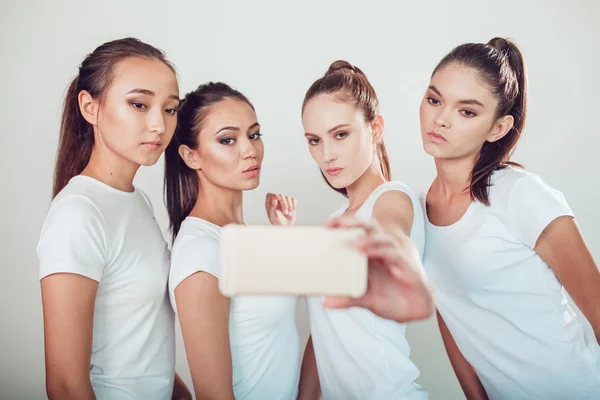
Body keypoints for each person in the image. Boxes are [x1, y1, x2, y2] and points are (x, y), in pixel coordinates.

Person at [421, 37, 600, 399]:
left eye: (466, 111)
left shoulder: (521, 195)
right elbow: (451, 318)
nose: (440, 119)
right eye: (434, 99)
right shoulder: (419, 210)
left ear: (498, 128)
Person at [37, 37, 190, 400]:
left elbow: (140, 334)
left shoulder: (137, 202)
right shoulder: (79, 214)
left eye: (170, 109)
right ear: (89, 107)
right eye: (139, 104)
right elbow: (64, 383)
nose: (158, 125)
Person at [297, 60, 434, 400]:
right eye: (314, 140)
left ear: (375, 129)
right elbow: (325, 331)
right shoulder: (337, 219)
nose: (326, 155)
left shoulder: (392, 197)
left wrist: (402, 263)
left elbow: (391, 234)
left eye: (340, 134)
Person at [165, 82, 300, 399]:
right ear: (191, 156)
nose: (249, 150)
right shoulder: (201, 253)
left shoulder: (243, 235)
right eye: (228, 140)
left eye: (253, 135)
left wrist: (285, 240)